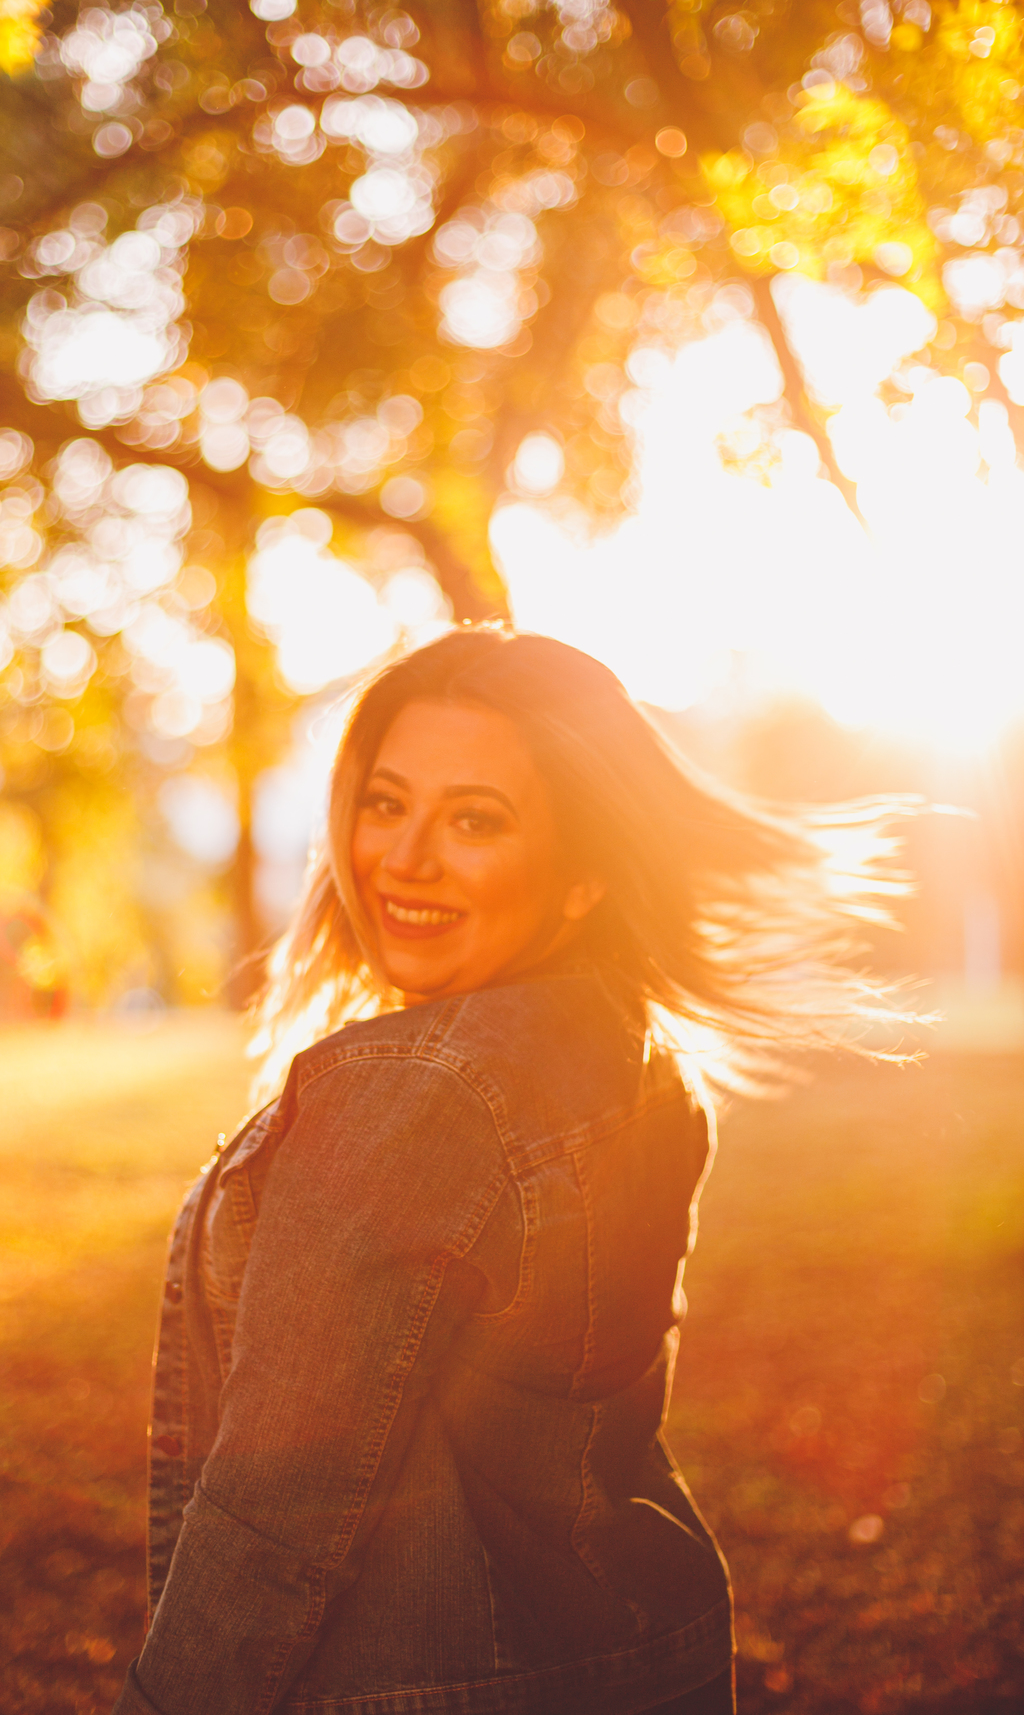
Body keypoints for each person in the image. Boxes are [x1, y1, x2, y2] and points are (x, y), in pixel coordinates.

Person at [114, 626, 909, 1715]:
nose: (403, 858)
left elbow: (271, 1518)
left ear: (584, 875)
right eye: (385, 802)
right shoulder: (638, 1062)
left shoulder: (419, 1093)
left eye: (475, 820)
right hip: (629, 1659)